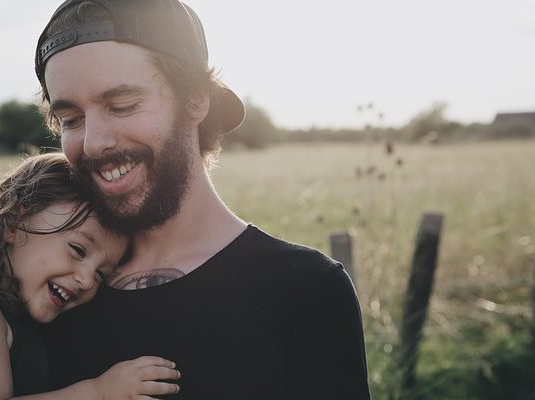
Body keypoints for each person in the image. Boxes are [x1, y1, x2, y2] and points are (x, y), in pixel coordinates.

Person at [36, 0, 371, 398]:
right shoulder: (50, 285)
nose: (93, 143)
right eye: (71, 120)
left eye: (121, 105)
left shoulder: (304, 290)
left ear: (196, 100)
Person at [0, 153, 181, 400]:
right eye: (78, 250)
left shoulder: (17, 318)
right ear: (14, 223)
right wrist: (98, 392)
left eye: (100, 275)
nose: (85, 279)